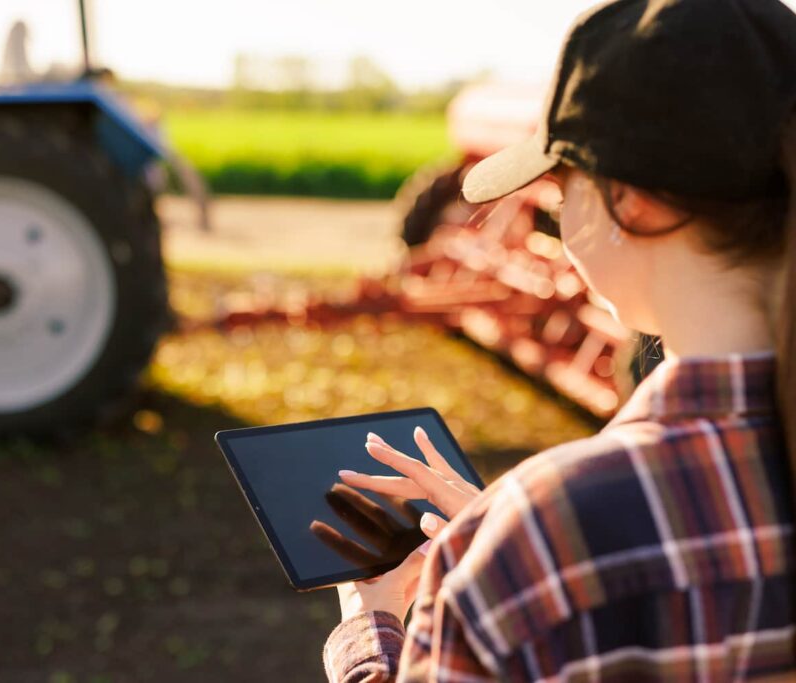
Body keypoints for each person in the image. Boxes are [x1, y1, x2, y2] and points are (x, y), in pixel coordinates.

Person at [321, 0, 796, 680]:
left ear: (627, 203)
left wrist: (373, 627)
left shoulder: (541, 541)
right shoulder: (535, 534)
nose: (555, 212)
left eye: (559, 183)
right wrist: (497, 530)